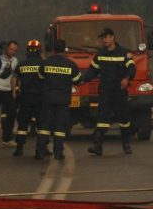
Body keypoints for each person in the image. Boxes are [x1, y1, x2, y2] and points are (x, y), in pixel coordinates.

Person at [78, 28, 136, 156]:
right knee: (102, 118)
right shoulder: (100, 54)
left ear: (112, 37)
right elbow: (92, 71)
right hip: (105, 91)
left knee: (123, 119)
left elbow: (132, 68)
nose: (104, 40)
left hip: (119, 91)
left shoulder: (124, 53)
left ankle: (126, 144)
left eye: (106, 37)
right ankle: (97, 145)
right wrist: (82, 80)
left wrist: (127, 78)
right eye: (102, 38)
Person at [36, 39, 81, 161]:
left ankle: (40, 152)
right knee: (60, 127)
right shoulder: (70, 64)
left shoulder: (45, 63)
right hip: (63, 101)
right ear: (65, 49)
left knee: (44, 126)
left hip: (47, 99)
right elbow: (77, 80)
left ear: (53, 49)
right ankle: (58, 153)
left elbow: (40, 77)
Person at [13, 39, 45, 158]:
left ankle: (19, 149)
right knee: (41, 125)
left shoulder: (22, 64)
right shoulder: (43, 64)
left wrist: (14, 92)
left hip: (25, 98)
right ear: (39, 51)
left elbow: (14, 78)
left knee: (22, 125)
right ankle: (42, 150)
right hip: (40, 99)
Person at [0, 40, 19, 146]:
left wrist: (14, 91)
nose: (13, 52)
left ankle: (7, 138)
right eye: (11, 49)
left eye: (15, 50)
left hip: (7, 91)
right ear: (6, 48)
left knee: (12, 112)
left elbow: (14, 77)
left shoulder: (15, 61)